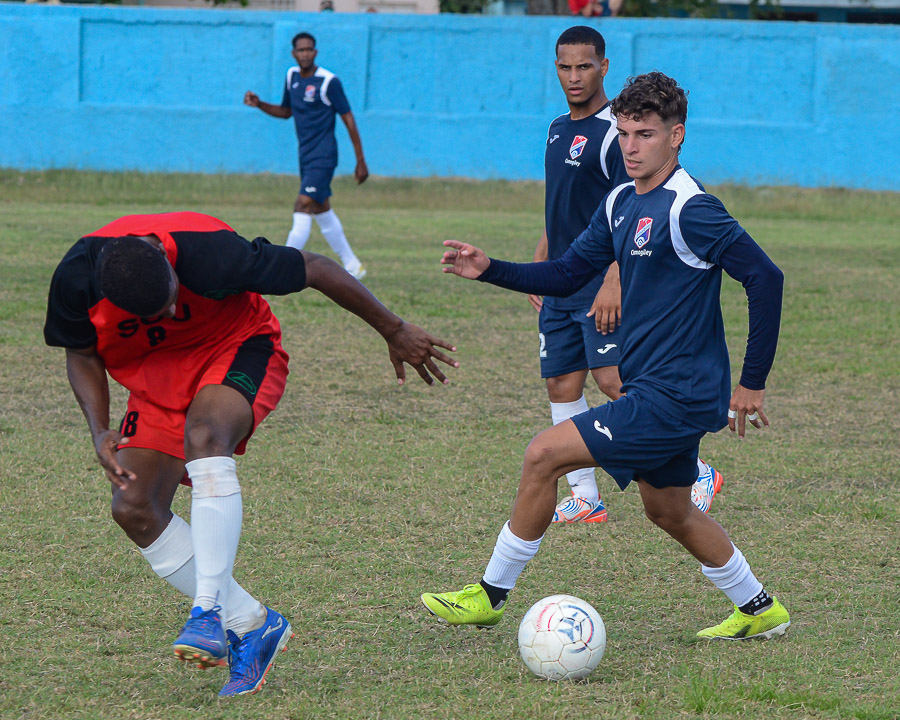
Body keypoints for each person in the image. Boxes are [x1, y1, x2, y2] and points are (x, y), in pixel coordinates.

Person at [422, 72, 790, 641]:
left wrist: (753, 383)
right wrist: (489, 267)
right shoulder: (621, 201)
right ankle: (759, 607)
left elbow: (766, 278)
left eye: (645, 133)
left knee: (543, 454)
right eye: (623, 134)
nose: (631, 146)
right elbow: (569, 271)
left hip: (678, 393)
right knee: (668, 510)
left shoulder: (691, 209)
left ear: (677, 136)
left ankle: (489, 595)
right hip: (653, 387)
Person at [44, 211, 458, 697]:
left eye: (173, 300)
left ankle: (207, 611)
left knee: (205, 437)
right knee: (133, 507)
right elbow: (81, 351)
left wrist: (393, 328)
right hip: (154, 377)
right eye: (157, 315)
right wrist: (98, 429)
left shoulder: (211, 251)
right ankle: (251, 622)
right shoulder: (76, 277)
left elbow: (317, 268)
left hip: (234, 346)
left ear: (171, 268)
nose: (173, 314)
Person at [537, 26, 722, 525]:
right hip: (564, 277)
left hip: (600, 281)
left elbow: (631, 210)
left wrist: (614, 279)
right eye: (564, 67)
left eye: (584, 66)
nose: (574, 76)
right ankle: (585, 497)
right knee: (560, 382)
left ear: (604, 66)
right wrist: (542, 263)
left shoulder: (614, 132)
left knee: (614, 379)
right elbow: (561, 204)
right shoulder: (557, 127)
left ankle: (696, 468)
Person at [244, 32, 368, 280]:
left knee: (302, 204)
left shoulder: (328, 81)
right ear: (293, 53)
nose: (305, 54)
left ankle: (281, 267)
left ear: (316, 52)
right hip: (306, 154)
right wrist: (260, 104)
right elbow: (287, 111)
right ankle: (354, 265)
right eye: (300, 50)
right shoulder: (291, 77)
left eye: (309, 49)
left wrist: (360, 160)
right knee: (321, 208)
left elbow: (348, 119)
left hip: (324, 156)